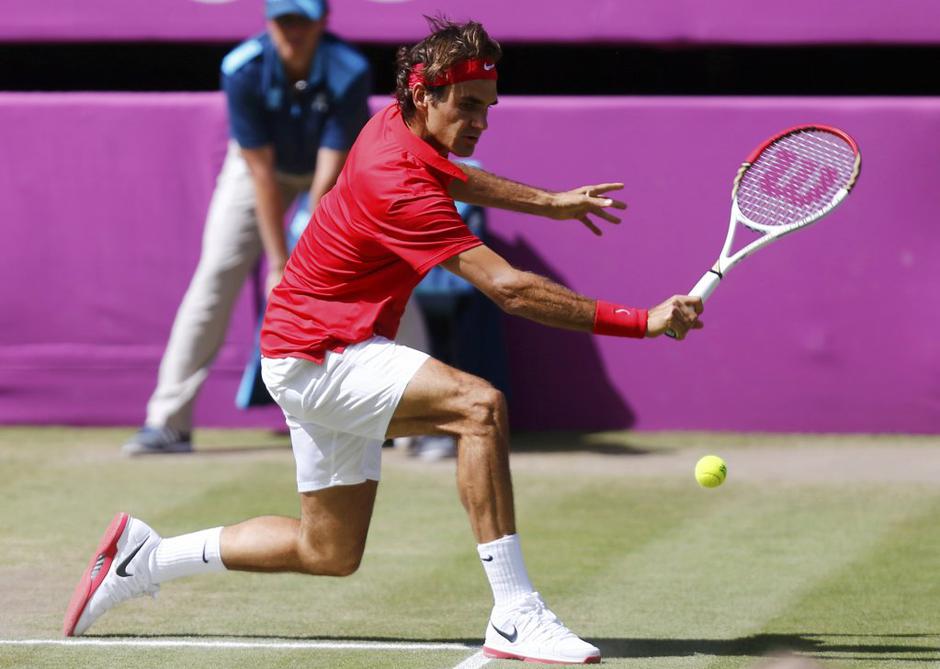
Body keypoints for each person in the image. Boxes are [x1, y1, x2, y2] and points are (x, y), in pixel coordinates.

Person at [65, 19, 704, 665]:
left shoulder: (391, 124)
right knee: (478, 407)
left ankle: (145, 558)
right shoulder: (398, 186)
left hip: (307, 348)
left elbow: (454, 174)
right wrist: (640, 320)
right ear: (426, 94)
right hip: (322, 355)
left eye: (489, 106)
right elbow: (509, 288)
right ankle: (516, 614)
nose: (482, 121)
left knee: (328, 551)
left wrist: (546, 202)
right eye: (469, 105)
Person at [122, 0, 372, 455]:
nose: (292, 30)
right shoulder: (242, 68)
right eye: (283, 20)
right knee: (216, 272)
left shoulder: (349, 68)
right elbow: (261, 171)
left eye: (302, 20)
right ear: (268, 22)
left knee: (376, 264)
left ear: (323, 21)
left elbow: (326, 177)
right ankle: (168, 421)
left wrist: (304, 253)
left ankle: (421, 426)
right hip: (259, 171)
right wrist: (279, 263)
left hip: (329, 172)